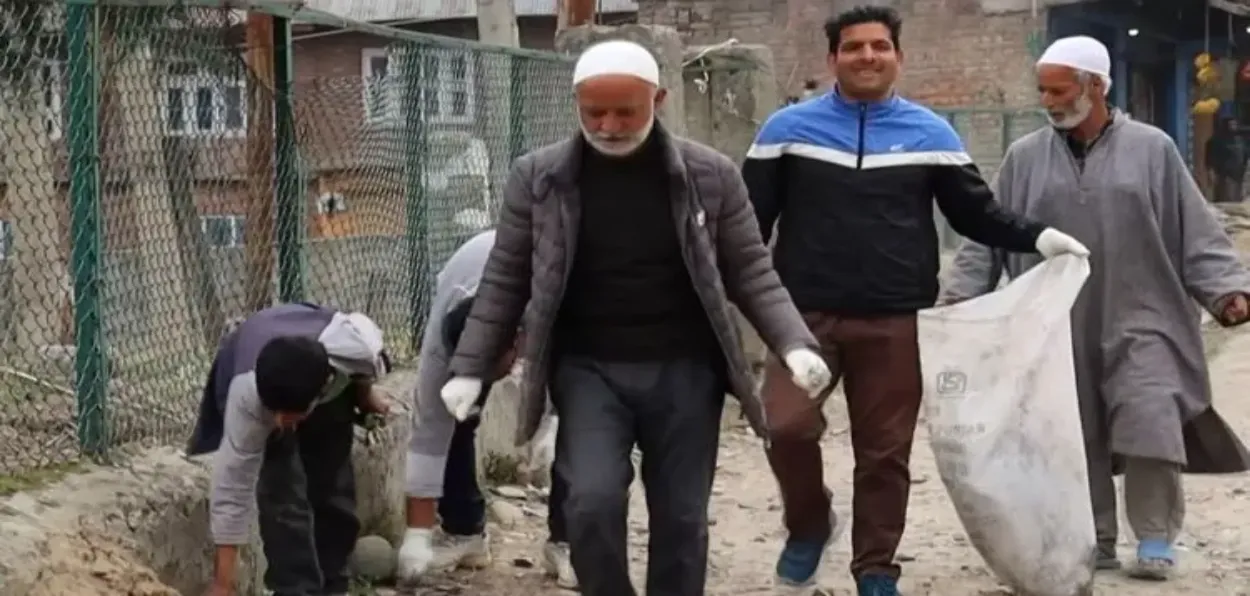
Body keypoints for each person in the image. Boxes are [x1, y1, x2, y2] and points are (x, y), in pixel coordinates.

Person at [438, 39, 832, 596]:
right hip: (589, 371)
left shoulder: (710, 175)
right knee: (591, 501)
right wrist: (470, 367)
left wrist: (794, 344)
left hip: (686, 370)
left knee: (682, 516)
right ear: (575, 103)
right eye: (594, 111)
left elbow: (750, 271)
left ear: (660, 99)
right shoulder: (540, 178)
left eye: (626, 110)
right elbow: (507, 276)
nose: (609, 124)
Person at [740, 6, 1090, 595]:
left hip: (896, 319)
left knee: (884, 454)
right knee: (786, 426)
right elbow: (747, 222)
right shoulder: (786, 132)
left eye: (880, 46)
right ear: (833, 59)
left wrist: (1041, 238)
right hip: (802, 318)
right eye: (854, 47)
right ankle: (809, 524)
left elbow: (976, 213)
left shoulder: (932, 135)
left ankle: (875, 568)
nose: (867, 56)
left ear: (898, 56)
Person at [940, 35, 1250, 582]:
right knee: (1073, 430)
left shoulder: (1153, 150)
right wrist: (960, 297)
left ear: (1097, 86)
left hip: (1144, 310)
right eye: (1043, 91)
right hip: (1054, 319)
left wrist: (1226, 289)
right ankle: (1096, 537)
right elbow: (987, 234)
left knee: (1150, 414)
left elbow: (1194, 228)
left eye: (1059, 89)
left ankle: (1154, 535)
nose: (1050, 100)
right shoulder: (1024, 157)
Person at [396, 230, 577, 589]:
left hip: (563, 286)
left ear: (516, 344)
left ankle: (568, 541)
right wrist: (416, 537)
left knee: (580, 422)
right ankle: (465, 532)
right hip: (470, 268)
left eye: (489, 371)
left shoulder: (552, 303)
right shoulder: (443, 334)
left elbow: (580, 372)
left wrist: (555, 423)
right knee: (454, 411)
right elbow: (428, 433)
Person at [187, 303, 392, 596]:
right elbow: (232, 488)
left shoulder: (357, 347)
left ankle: (335, 584)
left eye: (290, 415)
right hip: (261, 374)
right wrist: (223, 583)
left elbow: (364, 369)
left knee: (332, 486)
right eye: (276, 414)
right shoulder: (247, 397)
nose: (282, 422)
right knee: (282, 499)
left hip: (327, 374)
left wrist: (365, 396)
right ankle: (296, 589)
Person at [1206, 116, 1246, 203]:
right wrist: (1211, 173)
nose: (1233, 127)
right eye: (1231, 125)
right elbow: (1210, 158)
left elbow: (1244, 155)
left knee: (1236, 200)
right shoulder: (1216, 140)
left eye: (1234, 124)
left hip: (1238, 176)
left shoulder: (1239, 140)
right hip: (1224, 175)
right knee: (1226, 200)